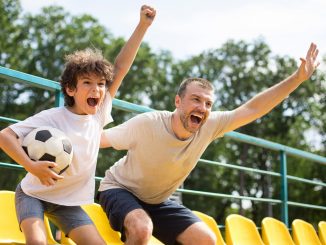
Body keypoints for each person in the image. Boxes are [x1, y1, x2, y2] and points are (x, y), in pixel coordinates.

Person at [98, 43, 319, 245]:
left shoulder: (210, 125)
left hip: (156, 202)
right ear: (178, 101)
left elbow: (252, 109)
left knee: (207, 239)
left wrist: (297, 78)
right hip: (119, 189)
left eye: (208, 103)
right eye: (195, 99)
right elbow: (100, 139)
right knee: (141, 228)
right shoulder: (148, 124)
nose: (202, 107)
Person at [0, 5, 156, 245]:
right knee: (38, 243)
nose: (97, 89)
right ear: (70, 89)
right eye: (87, 83)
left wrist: (143, 26)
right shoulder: (53, 117)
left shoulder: (99, 113)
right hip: (33, 195)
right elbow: (5, 136)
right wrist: (32, 166)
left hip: (67, 203)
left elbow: (121, 67)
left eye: (102, 84)